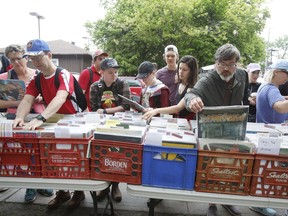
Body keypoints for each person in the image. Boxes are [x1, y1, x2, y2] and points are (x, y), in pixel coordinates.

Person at [12, 39, 85, 210]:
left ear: (49, 55)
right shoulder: (36, 78)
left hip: (76, 120)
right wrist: (19, 117)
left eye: (38, 57)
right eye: (32, 59)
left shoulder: (63, 74)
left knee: (77, 159)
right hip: (56, 122)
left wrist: (41, 118)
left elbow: (61, 97)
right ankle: (63, 191)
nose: (36, 62)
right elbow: (27, 99)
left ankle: (80, 192)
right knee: (55, 158)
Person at [184, 43, 249, 216]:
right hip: (212, 129)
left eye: (231, 64)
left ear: (237, 64)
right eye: (222, 64)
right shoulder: (207, 79)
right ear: (216, 62)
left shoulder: (242, 75)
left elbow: (244, 98)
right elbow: (191, 94)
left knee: (233, 166)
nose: (226, 69)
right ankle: (212, 203)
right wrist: (192, 101)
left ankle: (228, 200)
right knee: (213, 166)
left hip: (234, 129)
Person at [0, 44, 51, 203]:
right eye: (12, 59)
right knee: (26, 154)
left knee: (41, 152)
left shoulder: (38, 75)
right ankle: (30, 185)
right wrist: (22, 100)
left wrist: (43, 98)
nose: (16, 62)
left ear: (26, 58)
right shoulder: (4, 78)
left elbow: (51, 98)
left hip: (38, 117)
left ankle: (42, 182)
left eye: (19, 58)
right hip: (16, 120)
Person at [90, 57, 131, 202]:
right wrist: (104, 112)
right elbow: (94, 108)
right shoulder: (95, 86)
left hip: (119, 125)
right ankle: (104, 185)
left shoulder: (122, 83)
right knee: (102, 154)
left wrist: (107, 112)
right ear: (101, 72)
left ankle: (115, 185)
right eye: (110, 72)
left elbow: (126, 106)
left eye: (115, 72)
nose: (114, 75)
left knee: (117, 155)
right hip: (101, 126)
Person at [251, 60, 288, 216]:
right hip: (274, 137)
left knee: (265, 171)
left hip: (265, 134)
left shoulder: (264, 87)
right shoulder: (272, 89)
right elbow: (279, 106)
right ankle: (262, 204)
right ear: (277, 72)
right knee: (273, 172)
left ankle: (260, 202)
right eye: (286, 73)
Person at [142, 55, 198, 121]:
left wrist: (156, 110)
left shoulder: (190, 89)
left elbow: (178, 107)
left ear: (191, 72)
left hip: (188, 123)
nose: (181, 72)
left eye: (185, 70)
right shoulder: (179, 84)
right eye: (180, 68)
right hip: (179, 121)